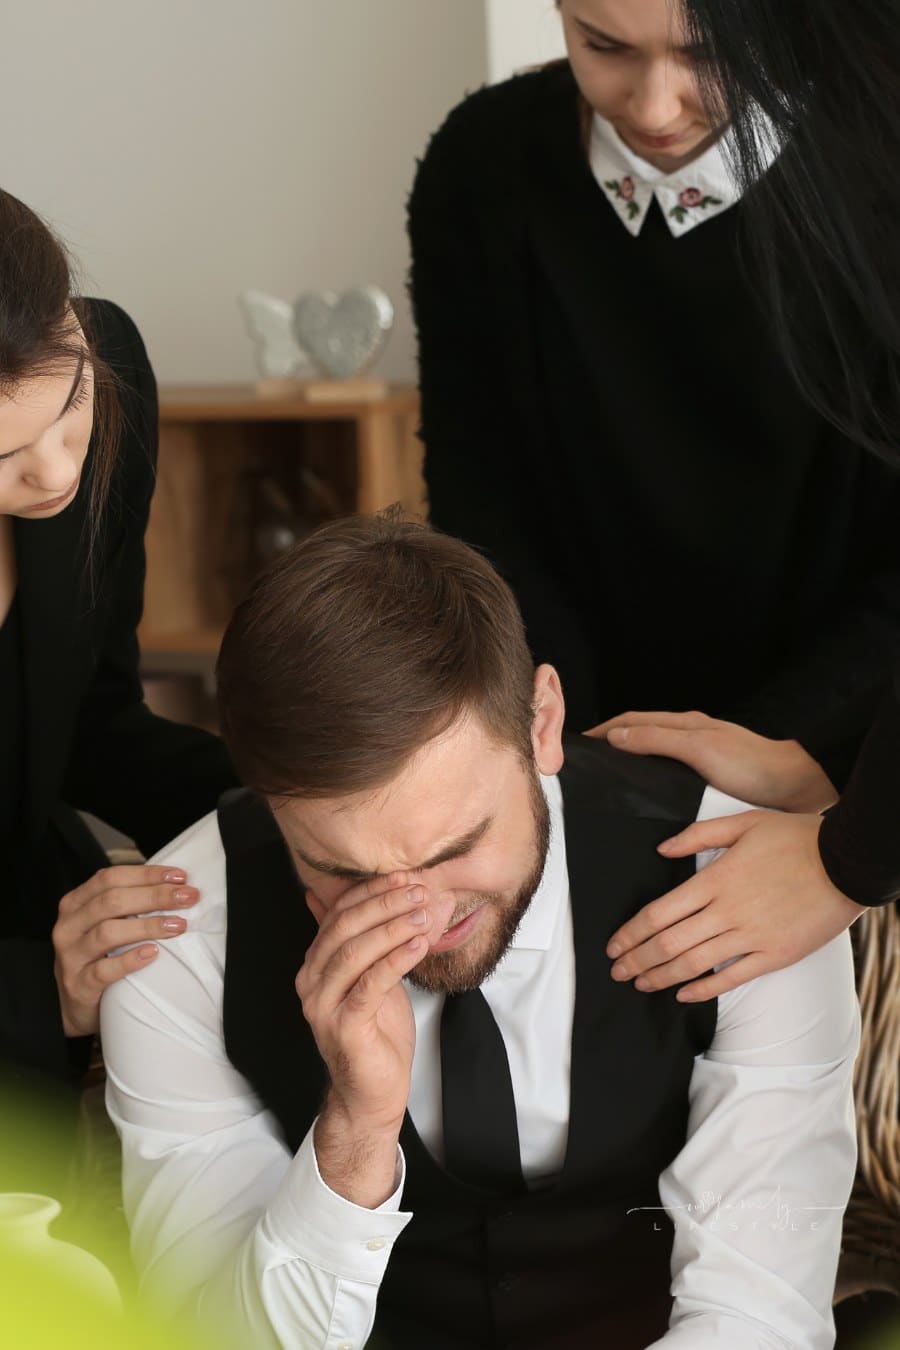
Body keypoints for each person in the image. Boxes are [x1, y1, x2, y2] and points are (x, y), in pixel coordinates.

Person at [101, 516, 858, 1350]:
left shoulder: (744, 882)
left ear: (541, 722)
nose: (419, 917)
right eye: (343, 873)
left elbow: (758, 1317)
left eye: (457, 848)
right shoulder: (176, 935)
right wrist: (354, 1136)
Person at [408, 0, 900, 1003]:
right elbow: (481, 497)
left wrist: (790, 752)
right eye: (605, 47)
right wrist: (583, 758)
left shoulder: (877, 150)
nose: (656, 103)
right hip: (585, 749)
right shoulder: (483, 165)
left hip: (854, 767)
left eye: (709, 54)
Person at [0, 188, 236, 1163]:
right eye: (3, 456)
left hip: (53, 941)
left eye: (71, 405)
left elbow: (89, 717)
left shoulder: (118, 368)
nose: (57, 471)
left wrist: (292, 800)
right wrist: (32, 995)